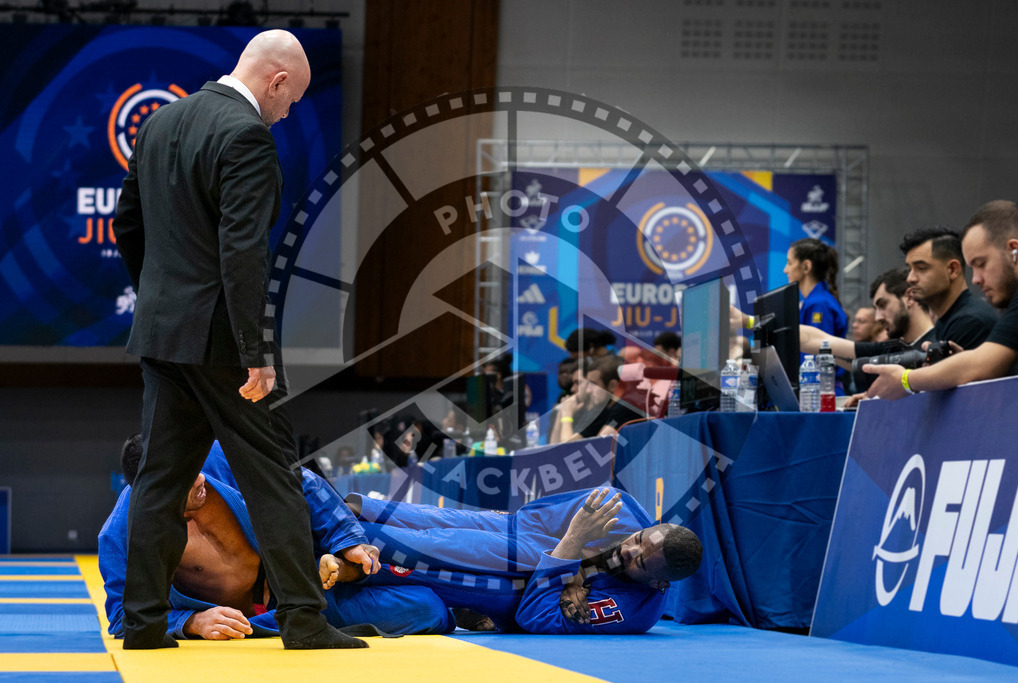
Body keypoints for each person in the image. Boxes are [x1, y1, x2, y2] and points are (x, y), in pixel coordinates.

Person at [111, 30, 360, 649]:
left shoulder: (161, 123)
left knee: (161, 481)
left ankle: (142, 624)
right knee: (272, 472)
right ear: (276, 81)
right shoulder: (246, 135)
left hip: (162, 333)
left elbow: (127, 223)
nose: (288, 112)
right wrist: (257, 352)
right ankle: (305, 621)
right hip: (220, 338)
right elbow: (243, 252)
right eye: (292, 99)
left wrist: (160, 298)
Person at [99, 437, 454, 641]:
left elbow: (303, 483)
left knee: (400, 552)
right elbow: (122, 617)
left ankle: (490, 589)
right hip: (271, 618)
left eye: (193, 467)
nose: (199, 479)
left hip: (304, 572)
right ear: (152, 493)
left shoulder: (217, 458)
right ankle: (462, 607)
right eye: (182, 480)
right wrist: (189, 623)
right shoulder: (120, 538)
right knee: (428, 610)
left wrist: (346, 539)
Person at [343, 488, 702, 634]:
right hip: (514, 533)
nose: (629, 551)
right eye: (638, 540)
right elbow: (533, 515)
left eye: (640, 562)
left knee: (425, 548)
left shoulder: (632, 610)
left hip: (510, 588)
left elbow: (538, 616)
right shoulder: (618, 508)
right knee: (431, 521)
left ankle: (336, 539)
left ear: (659, 584)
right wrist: (572, 569)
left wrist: (571, 547)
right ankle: (343, 514)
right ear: (651, 525)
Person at [866, 201, 1018, 399]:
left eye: (981, 264)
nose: (975, 279)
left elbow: (983, 364)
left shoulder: (972, 319)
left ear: (1014, 251)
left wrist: (906, 380)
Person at [800, 268, 936, 391]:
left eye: (883, 305)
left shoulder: (940, 343)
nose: (877, 317)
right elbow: (821, 341)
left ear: (910, 298)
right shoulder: (893, 350)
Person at [899, 225, 997, 350]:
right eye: (909, 269)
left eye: (921, 268)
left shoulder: (970, 322)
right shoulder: (949, 319)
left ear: (952, 269)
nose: (910, 278)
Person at [784, 238, 849, 393]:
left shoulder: (819, 304)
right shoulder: (814, 301)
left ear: (806, 266)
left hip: (820, 393)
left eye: (789, 263)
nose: (785, 270)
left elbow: (818, 356)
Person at [550, 356, 645, 442]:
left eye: (594, 384)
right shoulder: (602, 410)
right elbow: (556, 448)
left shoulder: (626, 407)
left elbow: (598, 447)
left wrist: (567, 415)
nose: (588, 391)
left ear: (612, 385)